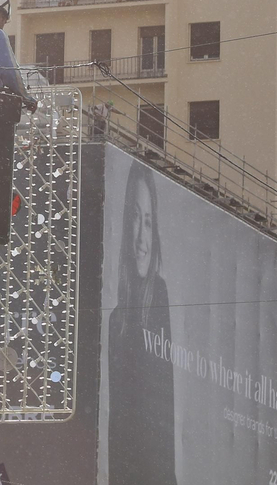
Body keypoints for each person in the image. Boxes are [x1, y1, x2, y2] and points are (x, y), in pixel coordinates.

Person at [105, 161, 177, 484]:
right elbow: (117, 426)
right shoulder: (117, 320)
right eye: (135, 218)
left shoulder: (157, 298)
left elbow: (161, 424)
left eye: (148, 222)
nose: (141, 238)